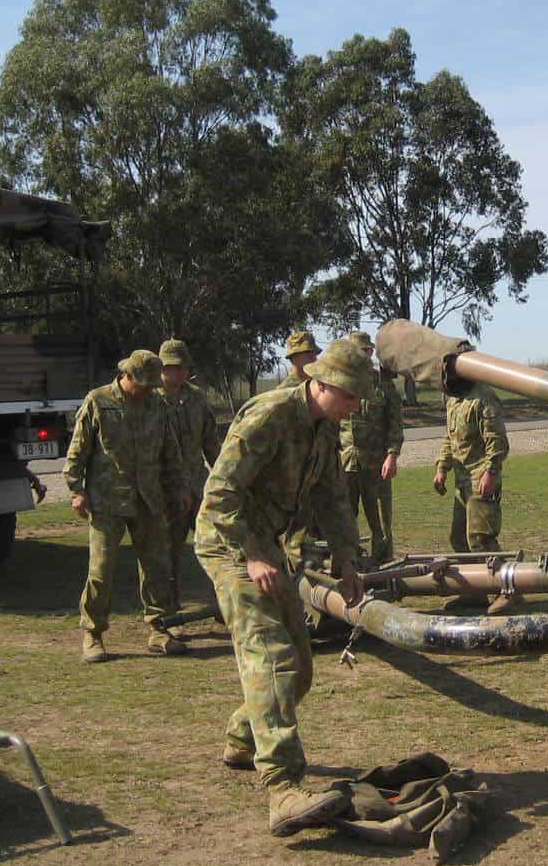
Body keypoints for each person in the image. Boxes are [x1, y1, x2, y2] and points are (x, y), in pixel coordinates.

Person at [195, 338, 372, 837]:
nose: (355, 406)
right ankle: (282, 789)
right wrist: (253, 554)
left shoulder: (324, 428)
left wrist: (347, 558)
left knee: (299, 666)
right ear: (322, 384)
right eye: (350, 395)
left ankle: (242, 737)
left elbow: (333, 496)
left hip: (263, 544)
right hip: (229, 543)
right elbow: (219, 495)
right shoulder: (270, 415)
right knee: (271, 655)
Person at [65, 349, 191, 663]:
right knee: (101, 569)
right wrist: (76, 491)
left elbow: (170, 451)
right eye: (143, 384)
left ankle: (159, 629)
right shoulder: (99, 401)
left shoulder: (157, 404)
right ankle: (93, 633)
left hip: (149, 499)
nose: (148, 390)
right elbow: (78, 451)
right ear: (127, 376)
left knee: (157, 567)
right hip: (107, 500)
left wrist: (180, 487)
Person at [433, 379, 514, 610]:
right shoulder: (453, 399)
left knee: (480, 539)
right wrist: (442, 468)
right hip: (462, 480)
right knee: (458, 538)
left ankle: (509, 589)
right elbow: (450, 438)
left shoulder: (483, 397)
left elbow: (497, 440)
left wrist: (491, 472)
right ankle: (474, 592)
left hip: (481, 476)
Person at [158, 338, 222, 610]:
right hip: (165, 488)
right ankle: (168, 608)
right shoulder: (150, 400)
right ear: (163, 368)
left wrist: (225, 475)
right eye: (175, 367)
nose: (181, 372)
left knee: (216, 543)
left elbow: (210, 442)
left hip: (198, 485)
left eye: (184, 367)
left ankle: (225, 602)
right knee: (168, 551)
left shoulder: (197, 397)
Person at [339, 330, 403, 564]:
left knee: (380, 519)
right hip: (345, 463)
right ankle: (349, 560)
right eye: (356, 352)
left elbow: (395, 424)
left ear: (370, 353)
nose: (361, 356)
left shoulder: (383, 386)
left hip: (376, 464)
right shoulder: (340, 383)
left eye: (365, 351)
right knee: (345, 516)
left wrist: (392, 455)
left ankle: (384, 562)